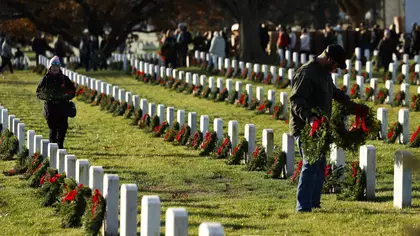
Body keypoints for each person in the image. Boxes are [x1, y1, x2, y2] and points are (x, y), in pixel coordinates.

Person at [290, 44, 368, 212]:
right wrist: (311, 119)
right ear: (329, 60)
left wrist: (355, 107)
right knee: (310, 164)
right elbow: (296, 102)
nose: (335, 70)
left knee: (319, 166)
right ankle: (303, 207)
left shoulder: (324, 73)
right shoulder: (306, 73)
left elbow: (334, 93)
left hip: (321, 126)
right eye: (336, 66)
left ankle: (314, 203)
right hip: (305, 127)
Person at [36, 56, 76, 149]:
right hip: (50, 109)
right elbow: (38, 92)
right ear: (50, 67)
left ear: (59, 67)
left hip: (62, 109)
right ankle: (53, 151)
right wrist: (46, 97)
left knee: (62, 129)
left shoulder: (64, 79)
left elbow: (73, 91)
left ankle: (60, 147)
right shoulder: (45, 79)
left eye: (57, 66)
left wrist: (66, 96)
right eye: (53, 66)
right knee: (53, 131)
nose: (55, 68)